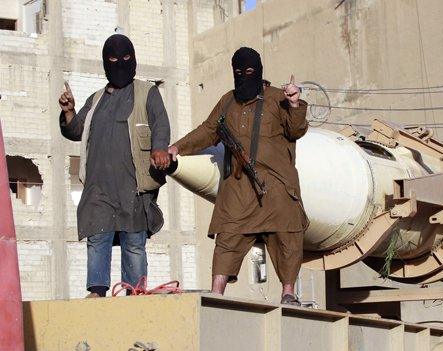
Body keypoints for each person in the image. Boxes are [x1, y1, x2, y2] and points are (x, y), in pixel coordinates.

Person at [168, 47, 309, 305]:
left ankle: (288, 292)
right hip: (239, 184)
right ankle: (216, 294)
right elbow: (208, 130)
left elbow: (296, 129)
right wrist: (177, 148)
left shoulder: (278, 98)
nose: (244, 76)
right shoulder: (227, 101)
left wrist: (295, 103)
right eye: (238, 72)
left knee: (287, 233)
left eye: (249, 71)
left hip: (276, 183)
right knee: (227, 236)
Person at [59, 34, 171, 298]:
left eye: (125, 58)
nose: (120, 63)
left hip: (132, 183)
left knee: (134, 240)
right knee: (98, 235)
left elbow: (161, 123)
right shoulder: (97, 99)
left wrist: (159, 148)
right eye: (112, 59)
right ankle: (97, 290)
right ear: (104, 63)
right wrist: (68, 112)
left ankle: (134, 292)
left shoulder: (147, 92)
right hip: (98, 186)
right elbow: (76, 130)